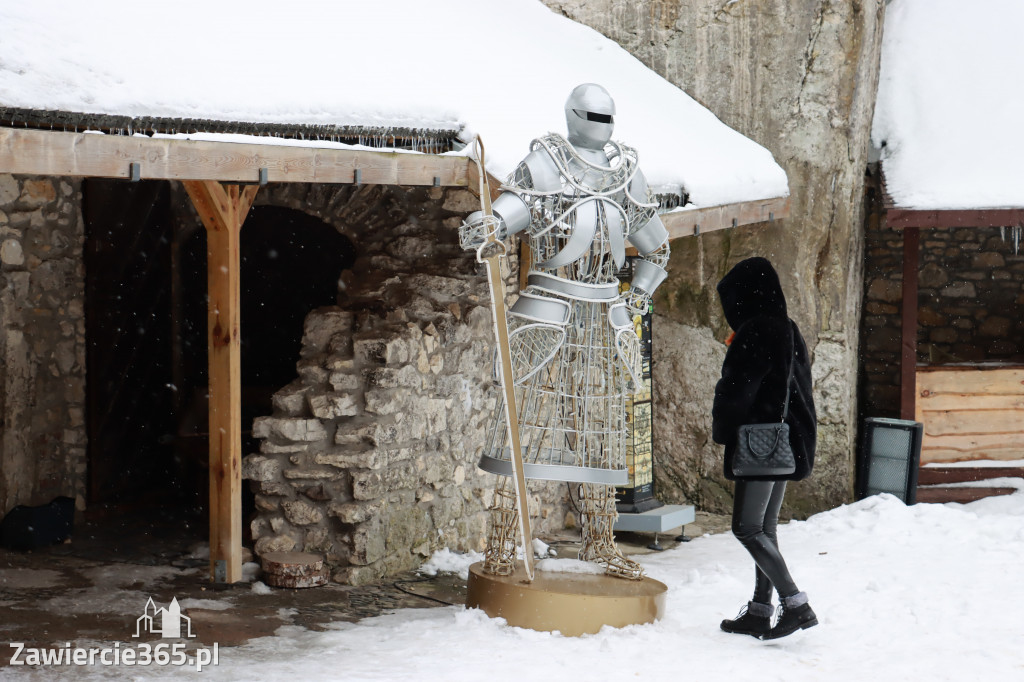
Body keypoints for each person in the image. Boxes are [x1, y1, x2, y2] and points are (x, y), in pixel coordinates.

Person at [459, 84, 670, 580]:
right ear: (573, 114)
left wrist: (637, 295)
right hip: (547, 307)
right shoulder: (545, 164)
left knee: (601, 434)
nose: (600, 123)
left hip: (604, 316)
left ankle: (600, 541)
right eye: (592, 114)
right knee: (524, 429)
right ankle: (502, 544)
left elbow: (656, 249)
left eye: (606, 116)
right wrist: (488, 225)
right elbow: (512, 212)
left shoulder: (625, 175)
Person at [712, 257, 818, 640]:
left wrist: (724, 427)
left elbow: (738, 388)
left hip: (759, 441)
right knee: (765, 529)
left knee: (746, 528)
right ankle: (760, 610)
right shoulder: (787, 328)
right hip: (785, 440)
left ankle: (796, 604)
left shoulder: (756, 330)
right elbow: (802, 389)